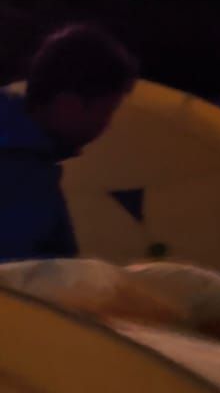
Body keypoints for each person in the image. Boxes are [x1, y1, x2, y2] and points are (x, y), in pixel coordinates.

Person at [0, 25, 138, 263]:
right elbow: (18, 275)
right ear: (68, 105)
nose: (106, 125)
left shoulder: (31, 156)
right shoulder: (20, 171)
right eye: (105, 111)